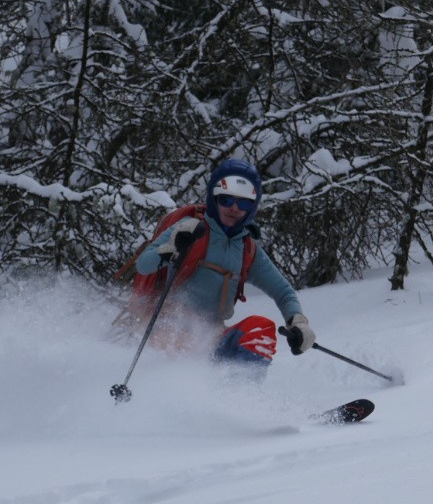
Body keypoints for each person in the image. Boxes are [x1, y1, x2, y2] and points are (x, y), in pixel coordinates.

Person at [131, 158, 316, 372]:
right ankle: (177, 388)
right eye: (226, 200)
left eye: (243, 203)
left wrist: (298, 322)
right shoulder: (189, 229)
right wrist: (172, 247)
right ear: (214, 198)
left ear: (252, 207)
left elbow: (283, 292)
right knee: (178, 342)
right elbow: (143, 265)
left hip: (212, 338)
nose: (234, 208)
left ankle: (240, 391)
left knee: (259, 329)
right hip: (167, 331)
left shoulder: (247, 249)